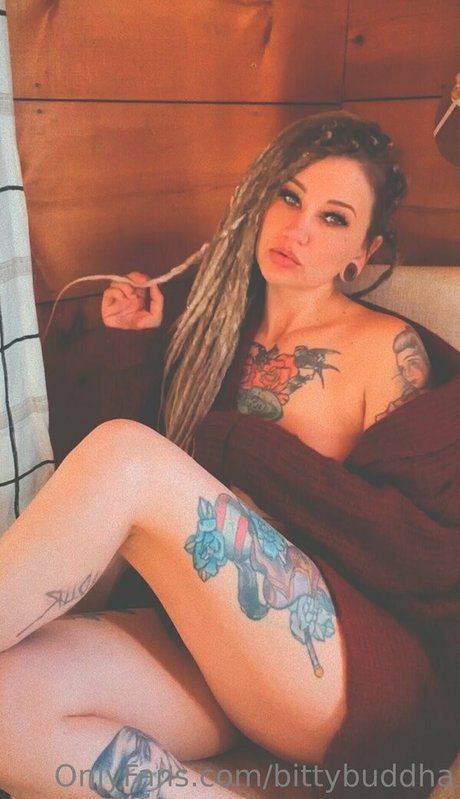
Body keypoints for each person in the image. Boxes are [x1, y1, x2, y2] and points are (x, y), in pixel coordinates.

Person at [0, 112, 458, 799]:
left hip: (359, 670)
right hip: (225, 651)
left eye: (333, 218)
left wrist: (239, 445)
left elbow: (425, 553)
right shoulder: (212, 330)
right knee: (9, 695)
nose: (298, 227)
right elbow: (128, 513)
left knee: (128, 453)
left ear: (363, 252)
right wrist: (132, 347)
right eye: (290, 196)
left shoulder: (390, 352)